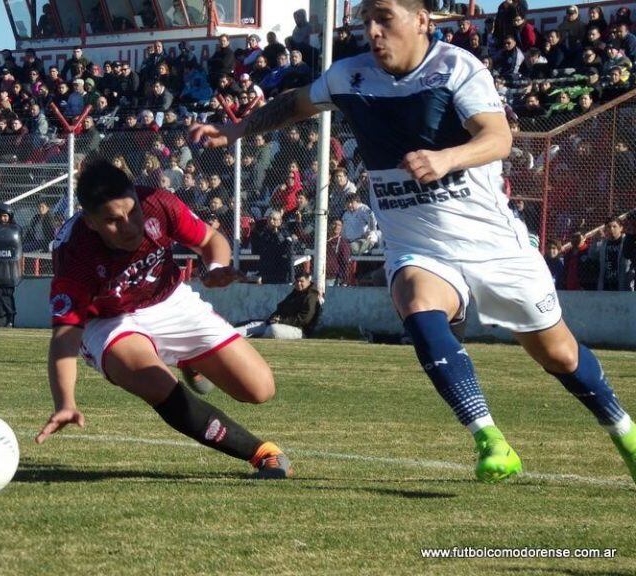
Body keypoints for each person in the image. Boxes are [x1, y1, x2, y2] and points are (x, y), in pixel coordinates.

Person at [189, 0, 636, 486]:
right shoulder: (349, 75)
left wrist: (447, 159)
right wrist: (234, 129)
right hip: (419, 245)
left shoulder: (457, 68)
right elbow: (294, 104)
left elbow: (498, 138)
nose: (374, 32)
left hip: (493, 244)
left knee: (560, 356)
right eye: (366, 22)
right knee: (416, 302)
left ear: (422, 20)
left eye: (385, 19)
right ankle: (490, 439)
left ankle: (625, 432)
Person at [34, 158, 293, 480]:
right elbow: (64, 340)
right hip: (109, 319)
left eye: (133, 213)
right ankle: (261, 453)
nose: (128, 226)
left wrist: (214, 269)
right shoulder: (76, 256)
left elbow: (211, 241)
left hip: (168, 300)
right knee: (154, 382)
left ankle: (189, 360)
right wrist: (65, 402)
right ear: (90, 222)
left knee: (259, 389)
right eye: (113, 220)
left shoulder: (158, 203)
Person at [236, 273, 322, 339]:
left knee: (272, 329)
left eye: (301, 281)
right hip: (283, 324)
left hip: (300, 331)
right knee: (254, 325)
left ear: (308, 281)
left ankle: (257, 336)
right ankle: (229, 335)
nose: (299, 283)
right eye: (297, 281)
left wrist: (281, 321)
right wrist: (274, 318)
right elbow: (281, 308)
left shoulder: (311, 296)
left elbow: (304, 320)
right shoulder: (295, 293)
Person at [0, 204, 20, 327]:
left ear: (10, 217)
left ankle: (10, 319)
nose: (3, 219)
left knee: (5, 294)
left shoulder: (15, 230)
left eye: (5, 216)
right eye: (1, 216)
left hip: (8, 268)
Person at [589, 215, 635, 291]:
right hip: (606, 285)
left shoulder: (627, 242)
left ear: (621, 228)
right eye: (608, 227)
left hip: (624, 284)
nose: (611, 229)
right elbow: (592, 255)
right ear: (605, 229)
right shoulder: (603, 243)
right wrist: (596, 240)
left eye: (614, 226)